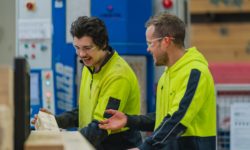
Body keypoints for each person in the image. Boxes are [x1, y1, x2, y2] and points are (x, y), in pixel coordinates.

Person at [99, 13, 216, 150]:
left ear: (166, 41)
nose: (148, 49)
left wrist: (143, 148)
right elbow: (162, 119)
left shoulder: (195, 72)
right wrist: (129, 120)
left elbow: (177, 120)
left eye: (150, 43)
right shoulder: (166, 76)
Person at [33, 16, 142, 149]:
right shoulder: (89, 67)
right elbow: (83, 111)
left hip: (117, 145)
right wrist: (54, 122)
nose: (81, 54)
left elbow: (102, 125)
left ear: (103, 44)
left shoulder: (118, 76)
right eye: (77, 47)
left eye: (87, 48)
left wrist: (63, 140)